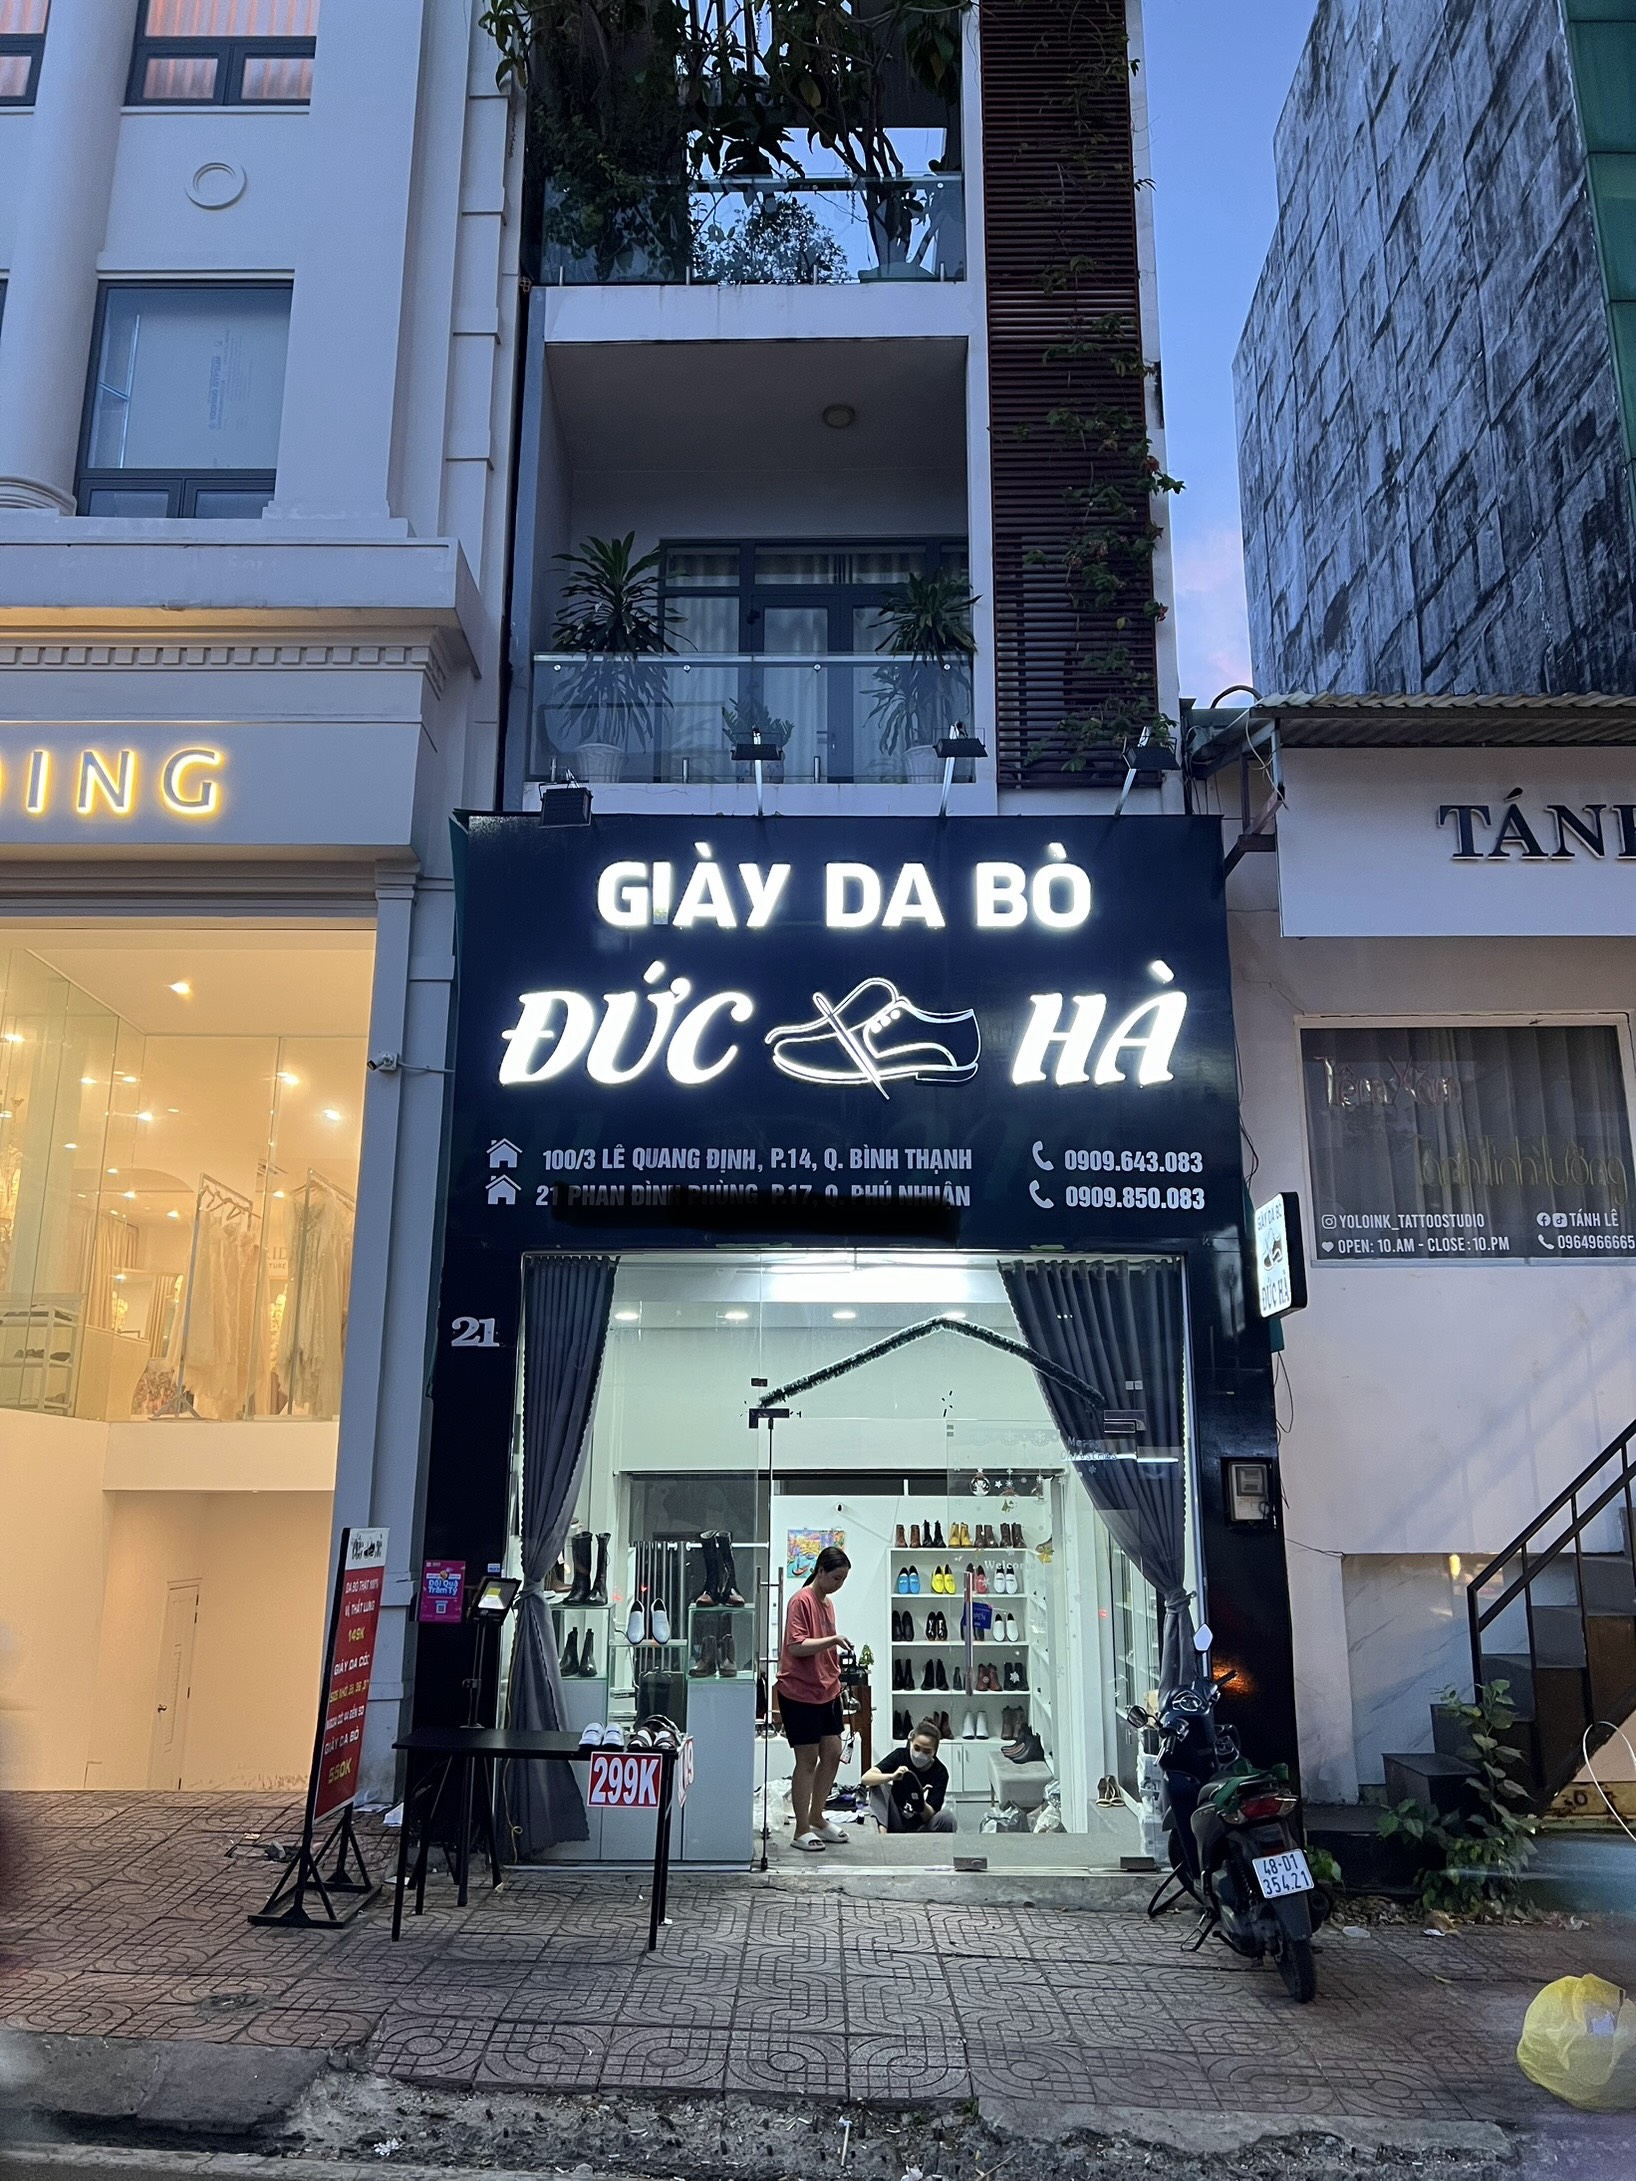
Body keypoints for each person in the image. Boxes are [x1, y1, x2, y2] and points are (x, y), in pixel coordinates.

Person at [776, 1545, 853, 1852]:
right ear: (820, 1571)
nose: (839, 1584)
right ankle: (801, 1830)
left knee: (832, 1753)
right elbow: (796, 1647)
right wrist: (833, 1640)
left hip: (827, 1690)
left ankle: (817, 1816)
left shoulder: (827, 1603)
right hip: (799, 1692)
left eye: (843, 1580)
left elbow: (823, 1649)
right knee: (807, 1760)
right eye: (836, 1578)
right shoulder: (801, 1601)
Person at [862, 1716, 957, 1834]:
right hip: (895, 1820)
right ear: (911, 1742)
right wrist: (892, 1776)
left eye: (927, 1751)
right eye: (916, 1748)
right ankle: (882, 1837)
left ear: (935, 1751)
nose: (920, 1754)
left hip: (922, 1827)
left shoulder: (940, 1772)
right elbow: (865, 1778)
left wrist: (919, 1801)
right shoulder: (900, 1755)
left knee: (947, 1818)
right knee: (878, 1784)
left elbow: (930, 1815)